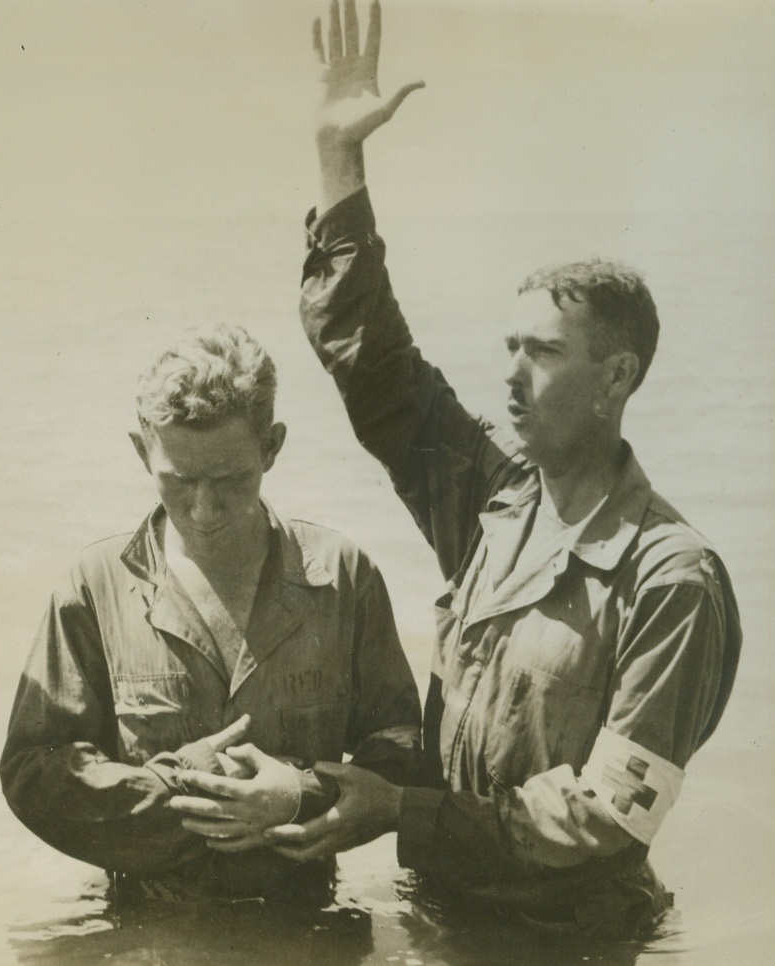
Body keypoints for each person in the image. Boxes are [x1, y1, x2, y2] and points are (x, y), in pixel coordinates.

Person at [224, 0, 741, 940]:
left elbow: (605, 815)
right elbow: (376, 368)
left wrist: (397, 812)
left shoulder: (672, 579)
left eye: (540, 352)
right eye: (508, 344)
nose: (508, 374)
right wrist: (340, 160)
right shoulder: (495, 504)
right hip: (446, 923)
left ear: (616, 376)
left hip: (573, 943)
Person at [0, 324, 422, 903]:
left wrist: (302, 793)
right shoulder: (93, 586)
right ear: (139, 449)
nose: (203, 509)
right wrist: (178, 784)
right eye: (178, 481)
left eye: (231, 479)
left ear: (272, 446)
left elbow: (400, 746)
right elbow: (34, 772)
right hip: (149, 929)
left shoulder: (341, 576)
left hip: (308, 928)